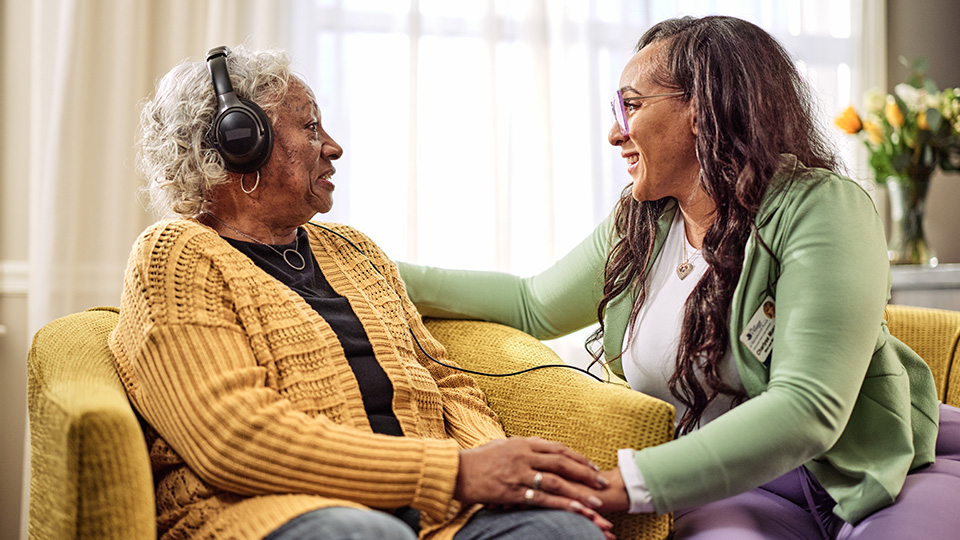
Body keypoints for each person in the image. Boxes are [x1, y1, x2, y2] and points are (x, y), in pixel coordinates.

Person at [397, 15, 960, 540]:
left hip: (877, 464)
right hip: (737, 484)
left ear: (704, 110)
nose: (616, 134)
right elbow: (530, 305)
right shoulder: (641, 222)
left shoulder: (820, 206)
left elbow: (807, 408)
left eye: (631, 106)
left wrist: (624, 482)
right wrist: (363, 263)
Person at [109, 45, 617, 540]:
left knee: (564, 531)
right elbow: (234, 437)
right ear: (241, 143)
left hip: (434, 511)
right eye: (310, 127)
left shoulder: (355, 252)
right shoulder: (175, 255)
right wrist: (457, 473)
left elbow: (446, 384)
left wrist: (511, 480)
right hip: (270, 512)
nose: (333, 146)